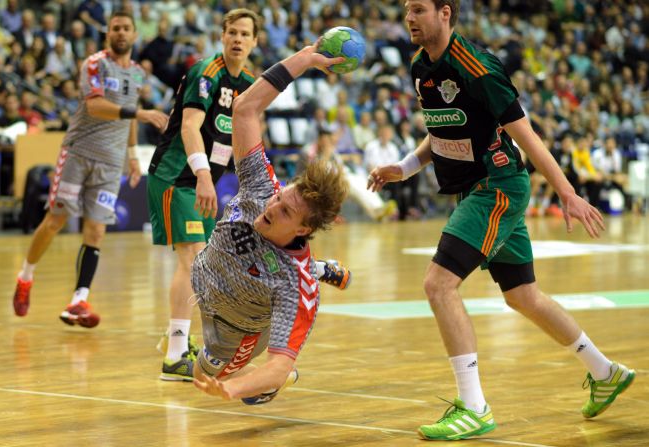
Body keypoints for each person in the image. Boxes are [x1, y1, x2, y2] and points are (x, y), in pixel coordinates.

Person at [368, 0, 634, 440]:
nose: (409, 19)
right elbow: (440, 128)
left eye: (418, 9)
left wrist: (568, 193)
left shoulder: (478, 67)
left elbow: (525, 134)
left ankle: (474, 407)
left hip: (496, 185)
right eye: (406, 10)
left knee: (438, 284)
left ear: (445, 13)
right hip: (475, 190)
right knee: (524, 297)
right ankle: (605, 373)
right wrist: (406, 166)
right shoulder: (421, 65)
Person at [147, 9, 352, 381]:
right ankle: (176, 351)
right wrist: (203, 175)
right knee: (192, 258)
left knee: (239, 251)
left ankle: (314, 269)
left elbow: (249, 115)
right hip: (179, 177)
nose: (237, 40)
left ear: (256, 41)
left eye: (245, 34)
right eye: (231, 32)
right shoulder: (206, 73)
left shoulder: (245, 81)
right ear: (221, 36)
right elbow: (190, 127)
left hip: (205, 179)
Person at [191, 44, 348, 404]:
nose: (272, 208)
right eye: (281, 198)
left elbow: (278, 363)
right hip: (208, 282)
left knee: (204, 376)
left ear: (303, 231)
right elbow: (245, 107)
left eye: (287, 212)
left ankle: (316, 269)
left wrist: (230, 388)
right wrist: (305, 58)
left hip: (238, 325)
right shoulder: (263, 187)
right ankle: (323, 267)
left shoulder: (296, 287)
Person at [11, 12, 168, 327]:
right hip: (78, 153)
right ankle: (25, 277)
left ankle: (78, 301)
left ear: (135, 35)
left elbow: (129, 120)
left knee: (96, 230)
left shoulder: (137, 74)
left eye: (126, 29)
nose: (121, 33)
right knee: (56, 220)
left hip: (111, 162)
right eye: (115, 28)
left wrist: (134, 156)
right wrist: (141, 113)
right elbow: (96, 106)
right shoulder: (94, 64)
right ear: (107, 34)